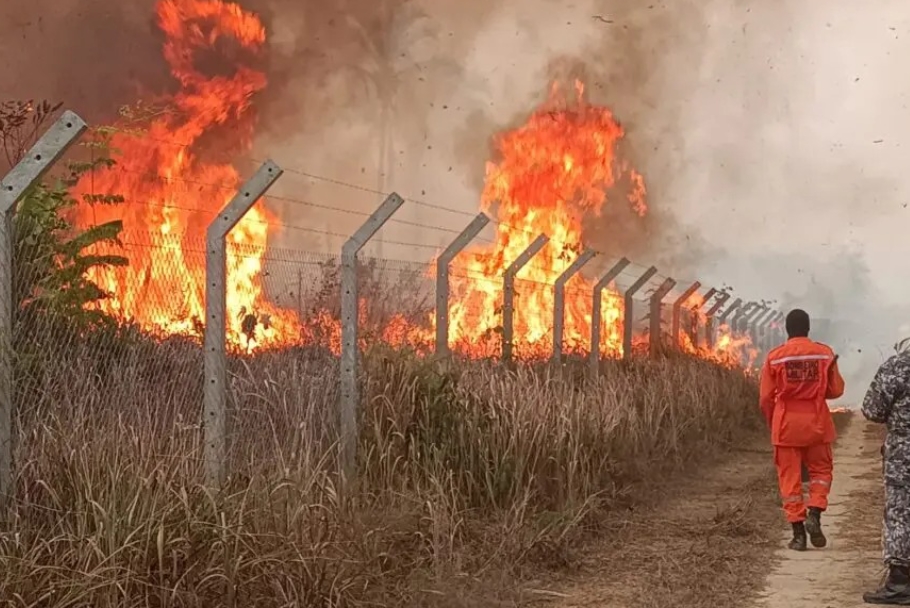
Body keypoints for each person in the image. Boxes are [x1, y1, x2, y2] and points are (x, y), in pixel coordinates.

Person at [760, 308, 845, 551]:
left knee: (790, 479)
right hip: (817, 422)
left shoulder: (775, 357)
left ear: (786, 330)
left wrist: (772, 422)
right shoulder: (824, 353)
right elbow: (836, 390)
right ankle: (815, 514)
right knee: (820, 472)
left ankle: (798, 535)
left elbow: (766, 397)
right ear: (808, 329)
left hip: (785, 424)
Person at [861, 341, 910, 604]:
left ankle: (900, 582)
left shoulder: (897, 366)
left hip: (904, 455)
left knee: (900, 513)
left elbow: (872, 410)